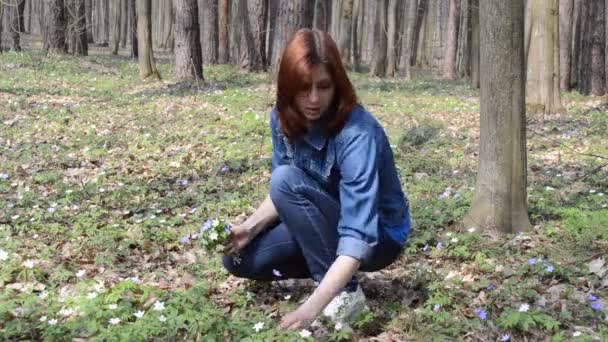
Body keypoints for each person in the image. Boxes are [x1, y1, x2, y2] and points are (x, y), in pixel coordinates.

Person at [222, 29, 411, 330]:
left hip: (378, 236)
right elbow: (282, 192)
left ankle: (345, 294)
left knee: (285, 179)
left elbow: (358, 234)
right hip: (322, 220)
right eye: (303, 87)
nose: (313, 99)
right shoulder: (281, 119)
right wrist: (249, 228)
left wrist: (312, 306)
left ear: (338, 86)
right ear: (287, 86)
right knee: (237, 260)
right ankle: (327, 267)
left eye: (323, 87)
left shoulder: (357, 134)